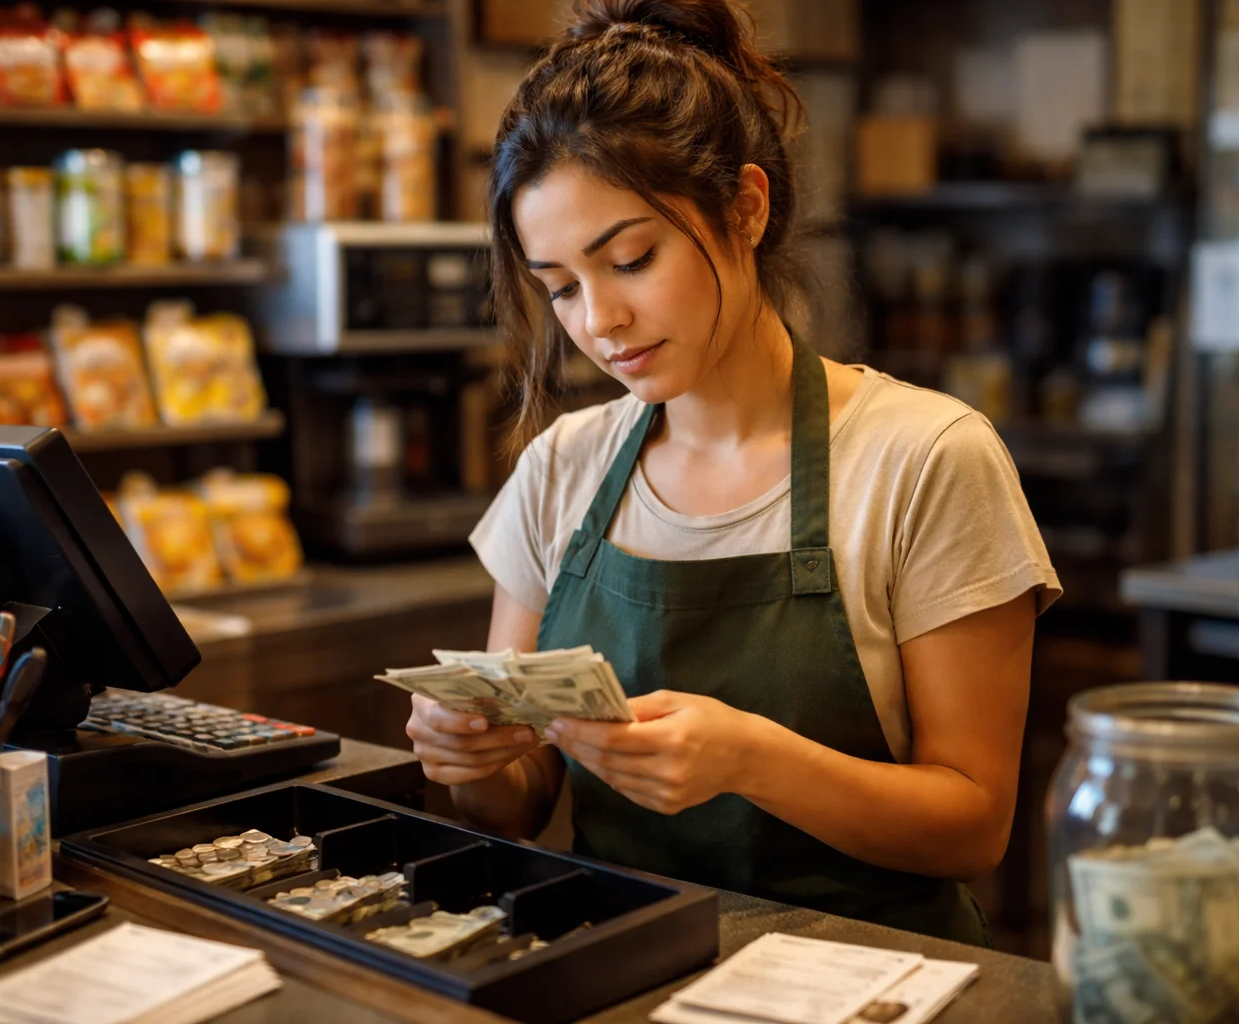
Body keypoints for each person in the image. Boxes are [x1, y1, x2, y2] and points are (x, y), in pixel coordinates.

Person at [405, 0, 1061, 946]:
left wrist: (753, 759)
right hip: (619, 970)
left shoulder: (924, 459)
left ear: (746, 208)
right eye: (559, 288)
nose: (599, 322)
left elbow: (973, 824)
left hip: (867, 985)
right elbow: (516, 808)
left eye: (631, 259)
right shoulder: (562, 468)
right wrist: (465, 757)